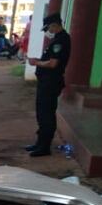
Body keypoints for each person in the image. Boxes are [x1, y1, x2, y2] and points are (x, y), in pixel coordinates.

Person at [26, 13, 71, 157]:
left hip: (51, 83)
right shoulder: (57, 40)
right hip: (46, 82)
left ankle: (44, 147)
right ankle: (39, 143)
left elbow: (53, 63)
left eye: (49, 28)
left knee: (47, 114)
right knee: (41, 112)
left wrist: (36, 62)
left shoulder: (61, 40)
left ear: (54, 25)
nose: (48, 32)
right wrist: (39, 60)